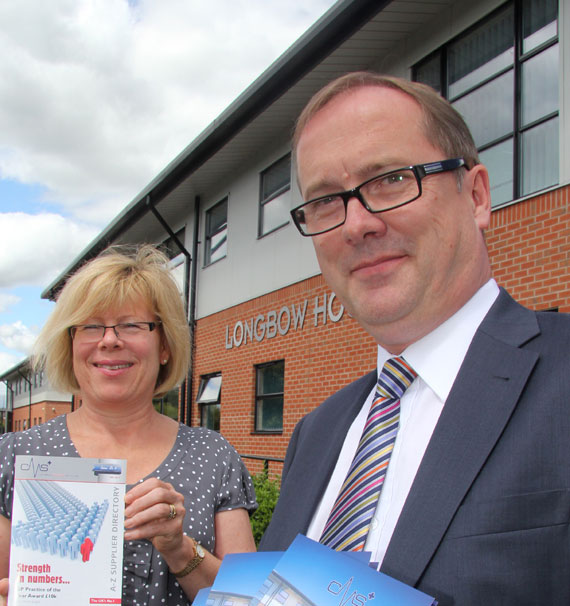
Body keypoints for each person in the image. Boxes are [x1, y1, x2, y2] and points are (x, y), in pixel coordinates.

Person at [259, 71, 570, 605]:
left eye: (391, 179)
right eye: (326, 201)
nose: (356, 224)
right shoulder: (316, 432)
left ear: (476, 196)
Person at [0, 245, 257, 606]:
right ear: (70, 344)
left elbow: (247, 600)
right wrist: (4, 602)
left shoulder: (211, 456)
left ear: (164, 345)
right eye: (91, 326)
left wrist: (179, 549)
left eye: (131, 325)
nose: (110, 340)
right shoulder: (16, 455)